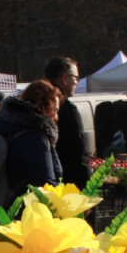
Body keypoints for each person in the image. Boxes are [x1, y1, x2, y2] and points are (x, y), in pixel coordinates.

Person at [0, 80, 62, 200]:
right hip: (29, 209)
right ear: (45, 107)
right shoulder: (35, 139)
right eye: (55, 110)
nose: (57, 117)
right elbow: (45, 185)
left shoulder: (12, 128)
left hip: (11, 203)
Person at [44, 56, 88, 189]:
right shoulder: (68, 111)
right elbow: (77, 154)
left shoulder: (34, 104)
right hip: (64, 184)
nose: (77, 82)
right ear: (64, 78)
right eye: (76, 78)